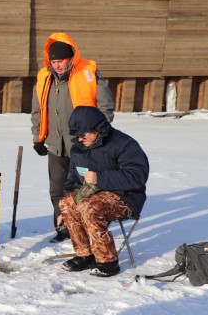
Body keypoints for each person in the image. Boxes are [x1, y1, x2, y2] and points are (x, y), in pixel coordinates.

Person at [31, 32, 115, 243]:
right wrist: (37, 138)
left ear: (71, 58)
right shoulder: (45, 78)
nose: (57, 66)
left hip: (83, 145)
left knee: (85, 189)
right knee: (57, 190)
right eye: (54, 61)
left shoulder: (90, 73)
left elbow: (105, 109)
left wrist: (97, 137)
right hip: (55, 144)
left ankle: (87, 226)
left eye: (61, 61)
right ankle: (64, 228)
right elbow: (38, 111)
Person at [59, 106, 149, 277]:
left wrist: (100, 178)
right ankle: (85, 255)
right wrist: (62, 210)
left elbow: (138, 177)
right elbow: (72, 180)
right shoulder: (78, 148)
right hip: (92, 193)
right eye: (76, 135)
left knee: (88, 206)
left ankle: (108, 261)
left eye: (83, 134)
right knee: (67, 202)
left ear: (97, 129)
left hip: (125, 197)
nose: (79, 138)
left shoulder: (124, 144)